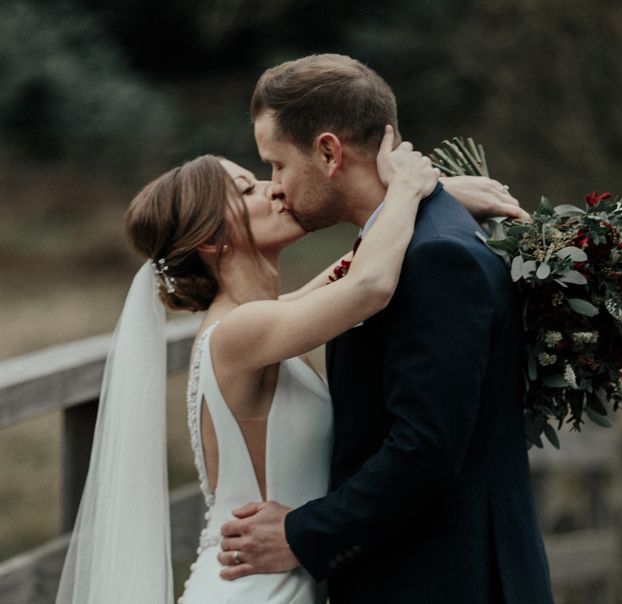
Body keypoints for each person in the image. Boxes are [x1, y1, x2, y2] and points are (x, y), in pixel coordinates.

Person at [54, 122, 517, 603]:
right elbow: (368, 286)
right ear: (212, 241)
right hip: (255, 589)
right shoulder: (237, 332)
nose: (275, 187)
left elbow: (347, 270)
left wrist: (434, 200)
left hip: (278, 579)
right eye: (248, 188)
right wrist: (406, 189)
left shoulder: (257, 321)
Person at [218, 54, 555, 604]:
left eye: (276, 164)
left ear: (328, 152)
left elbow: (424, 447)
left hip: (446, 581)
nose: (275, 185)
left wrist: (302, 535)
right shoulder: (404, 240)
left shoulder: (436, 256)